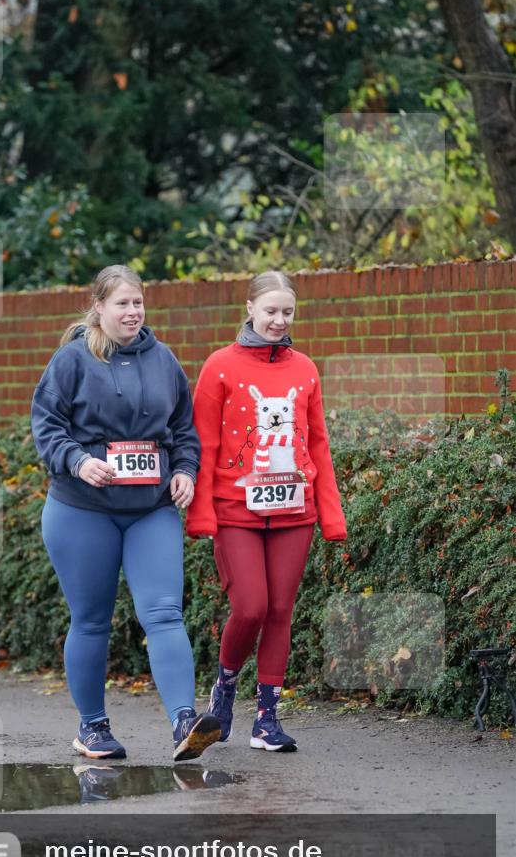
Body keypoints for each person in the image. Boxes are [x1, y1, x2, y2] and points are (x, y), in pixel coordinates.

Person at [31, 265, 221, 762]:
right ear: (98, 307)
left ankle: (185, 720)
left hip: (150, 509)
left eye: (138, 303)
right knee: (92, 620)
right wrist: (79, 460)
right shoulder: (72, 360)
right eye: (122, 304)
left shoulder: (163, 360)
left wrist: (184, 469)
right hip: (81, 510)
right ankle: (92, 727)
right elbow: (46, 426)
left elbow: (183, 428)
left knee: (163, 612)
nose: (133, 312)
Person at [186, 270, 347, 752]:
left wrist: (331, 516)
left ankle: (268, 718)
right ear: (250, 309)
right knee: (251, 606)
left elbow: (318, 446)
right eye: (271, 311)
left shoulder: (306, 369)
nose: (279, 320)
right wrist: (201, 514)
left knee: (280, 610)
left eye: (288, 312)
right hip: (236, 513)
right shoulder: (219, 366)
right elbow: (204, 445)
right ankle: (224, 691)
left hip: (295, 513)